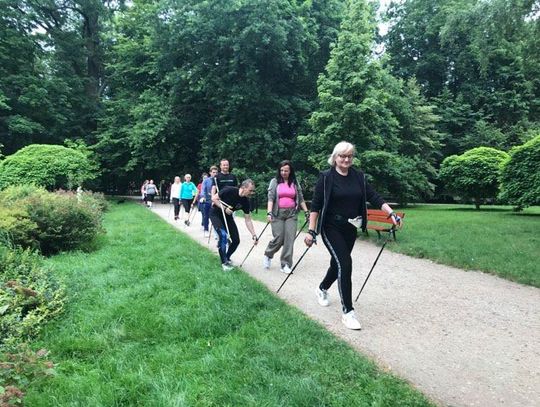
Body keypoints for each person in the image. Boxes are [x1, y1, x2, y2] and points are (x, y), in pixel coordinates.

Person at [304, 141, 402, 330]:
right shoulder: (326, 177)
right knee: (345, 264)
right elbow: (315, 206)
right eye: (342, 156)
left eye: (349, 156)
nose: (346, 159)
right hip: (330, 226)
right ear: (335, 157)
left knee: (338, 263)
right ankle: (348, 312)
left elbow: (374, 197)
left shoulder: (359, 177)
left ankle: (322, 288)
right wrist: (311, 231)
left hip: (350, 228)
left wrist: (391, 213)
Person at [263, 160, 309, 274]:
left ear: (290, 171)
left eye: (286, 170)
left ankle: (286, 264)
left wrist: (306, 212)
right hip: (277, 214)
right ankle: (268, 254)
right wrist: (269, 213)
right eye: (282, 170)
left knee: (289, 239)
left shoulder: (294, 182)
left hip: (291, 214)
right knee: (279, 238)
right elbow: (271, 198)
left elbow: (301, 198)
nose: (283, 172)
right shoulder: (274, 182)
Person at [210, 179, 258, 271]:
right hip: (216, 214)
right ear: (243, 188)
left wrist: (254, 234)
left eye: (253, 191)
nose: (252, 193)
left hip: (228, 217)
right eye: (250, 190)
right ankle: (224, 263)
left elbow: (248, 220)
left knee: (236, 240)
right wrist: (224, 208)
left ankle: (227, 257)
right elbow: (214, 198)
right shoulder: (229, 190)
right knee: (223, 235)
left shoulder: (245, 202)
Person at [201, 166, 218, 236]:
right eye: (213, 172)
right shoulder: (206, 180)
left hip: (216, 201)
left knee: (216, 216)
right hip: (208, 200)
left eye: (216, 172)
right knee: (206, 216)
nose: (215, 174)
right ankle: (206, 229)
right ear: (210, 173)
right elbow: (203, 190)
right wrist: (203, 197)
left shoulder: (218, 180)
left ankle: (216, 231)